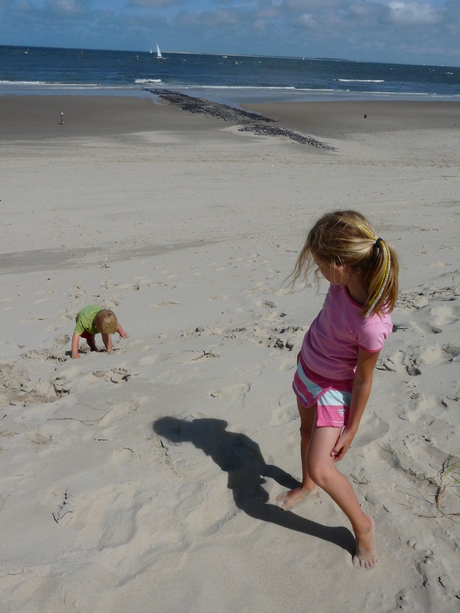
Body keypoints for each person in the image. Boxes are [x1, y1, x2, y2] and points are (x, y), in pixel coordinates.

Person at [276, 210, 399, 569]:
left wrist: (353, 425)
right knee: (303, 431)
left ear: (343, 265)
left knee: (322, 466)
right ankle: (306, 486)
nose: (319, 271)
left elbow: (362, 378)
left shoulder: (373, 324)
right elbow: (328, 320)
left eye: (320, 264)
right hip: (309, 366)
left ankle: (362, 527)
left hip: (334, 389)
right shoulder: (341, 283)